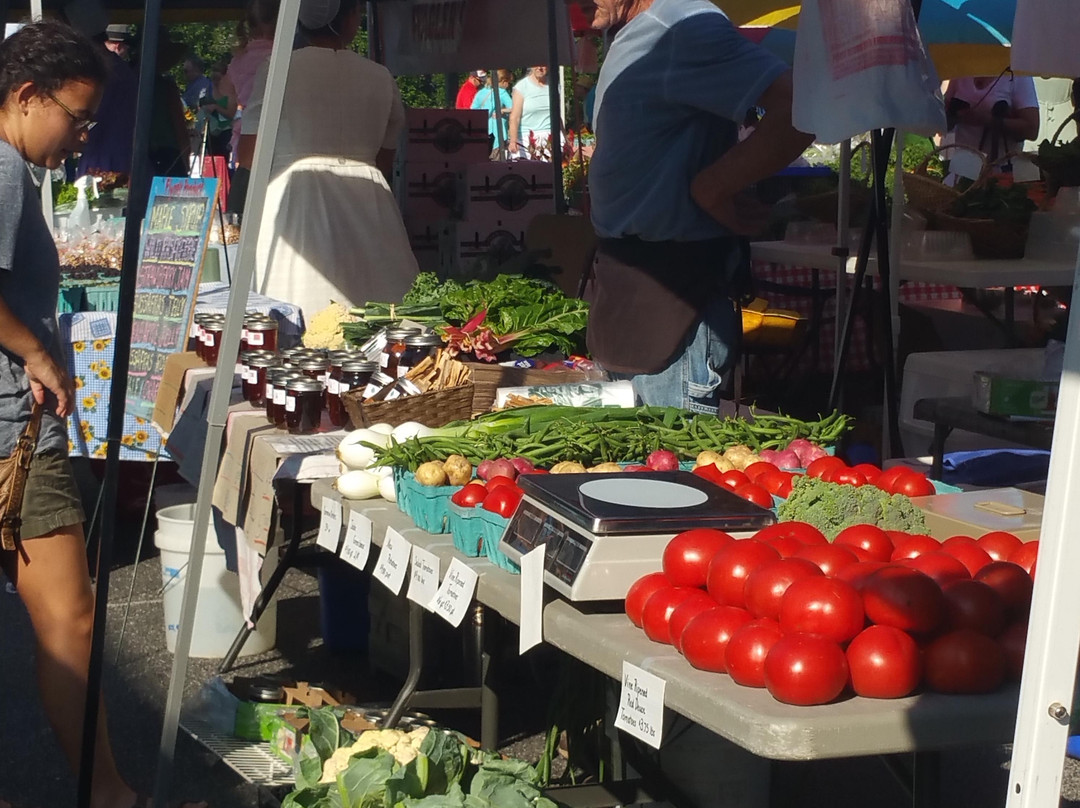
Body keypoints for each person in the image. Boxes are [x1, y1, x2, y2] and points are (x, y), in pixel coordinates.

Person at [0, 21, 206, 808]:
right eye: (76, 117)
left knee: (66, 619)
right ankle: (111, 795)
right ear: (26, 96)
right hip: (13, 428)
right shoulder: (6, 170)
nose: (84, 137)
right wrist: (38, 352)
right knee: (71, 621)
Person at [571, 0, 813, 411]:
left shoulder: (681, 26)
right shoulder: (631, 33)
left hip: (674, 292)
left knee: (674, 470)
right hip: (628, 291)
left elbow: (798, 108)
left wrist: (712, 187)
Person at [239, 0, 419, 320]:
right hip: (368, 196)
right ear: (349, 19)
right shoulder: (379, 75)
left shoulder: (278, 68)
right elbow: (386, 153)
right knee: (381, 310)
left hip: (294, 197)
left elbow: (250, 153)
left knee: (297, 309)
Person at [70, 17, 139, 180]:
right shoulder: (116, 68)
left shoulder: (103, 70)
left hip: (105, 160)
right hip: (115, 155)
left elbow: (90, 116)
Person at [945, 74, 1040, 165]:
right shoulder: (961, 71)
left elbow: (1032, 129)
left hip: (1001, 169)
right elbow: (944, 120)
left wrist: (987, 120)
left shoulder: (1016, 75)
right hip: (962, 165)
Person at [227, 0, 279, 161]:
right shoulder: (281, 56)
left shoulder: (238, 59)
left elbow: (229, 100)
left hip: (245, 132)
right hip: (277, 132)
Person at [508, 65, 557, 159]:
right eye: (536, 64)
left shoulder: (554, 85)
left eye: (543, 64)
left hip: (550, 138)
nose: (540, 68)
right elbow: (514, 117)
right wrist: (513, 141)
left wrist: (565, 138)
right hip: (526, 139)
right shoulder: (521, 87)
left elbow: (556, 115)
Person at [196, 60, 237, 159]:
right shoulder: (206, 89)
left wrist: (216, 107)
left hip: (224, 131)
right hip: (208, 129)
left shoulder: (230, 92)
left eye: (217, 71)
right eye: (213, 71)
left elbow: (231, 113)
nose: (214, 74)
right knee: (208, 158)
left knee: (221, 158)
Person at [471, 69, 513, 152]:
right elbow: (514, 108)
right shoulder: (502, 92)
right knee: (498, 161)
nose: (508, 85)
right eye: (509, 83)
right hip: (498, 134)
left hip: (482, 133)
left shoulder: (481, 92)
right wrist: (503, 110)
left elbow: (472, 111)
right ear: (504, 81)